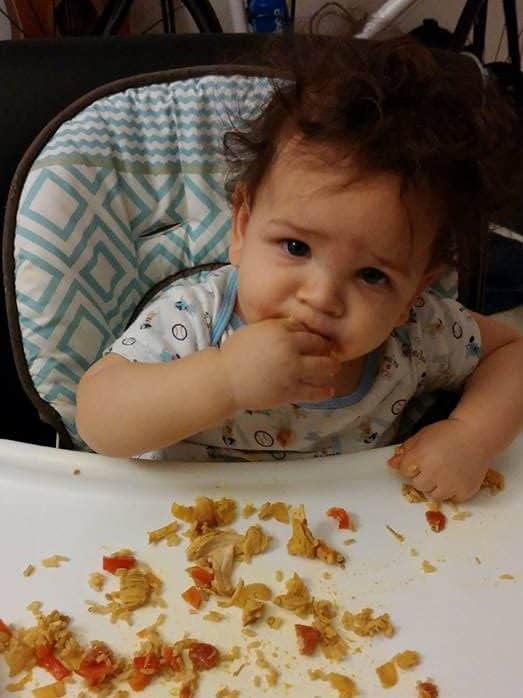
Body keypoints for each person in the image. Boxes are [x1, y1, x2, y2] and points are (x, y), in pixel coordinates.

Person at [76, 35, 523, 502]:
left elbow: (511, 352)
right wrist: (223, 379)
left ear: (413, 293)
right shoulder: (197, 320)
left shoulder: (414, 335)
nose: (322, 296)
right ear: (242, 229)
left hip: (358, 540)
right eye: (295, 246)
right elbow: (97, 418)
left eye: (372, 275)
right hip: (188, 539)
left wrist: (472, 436)